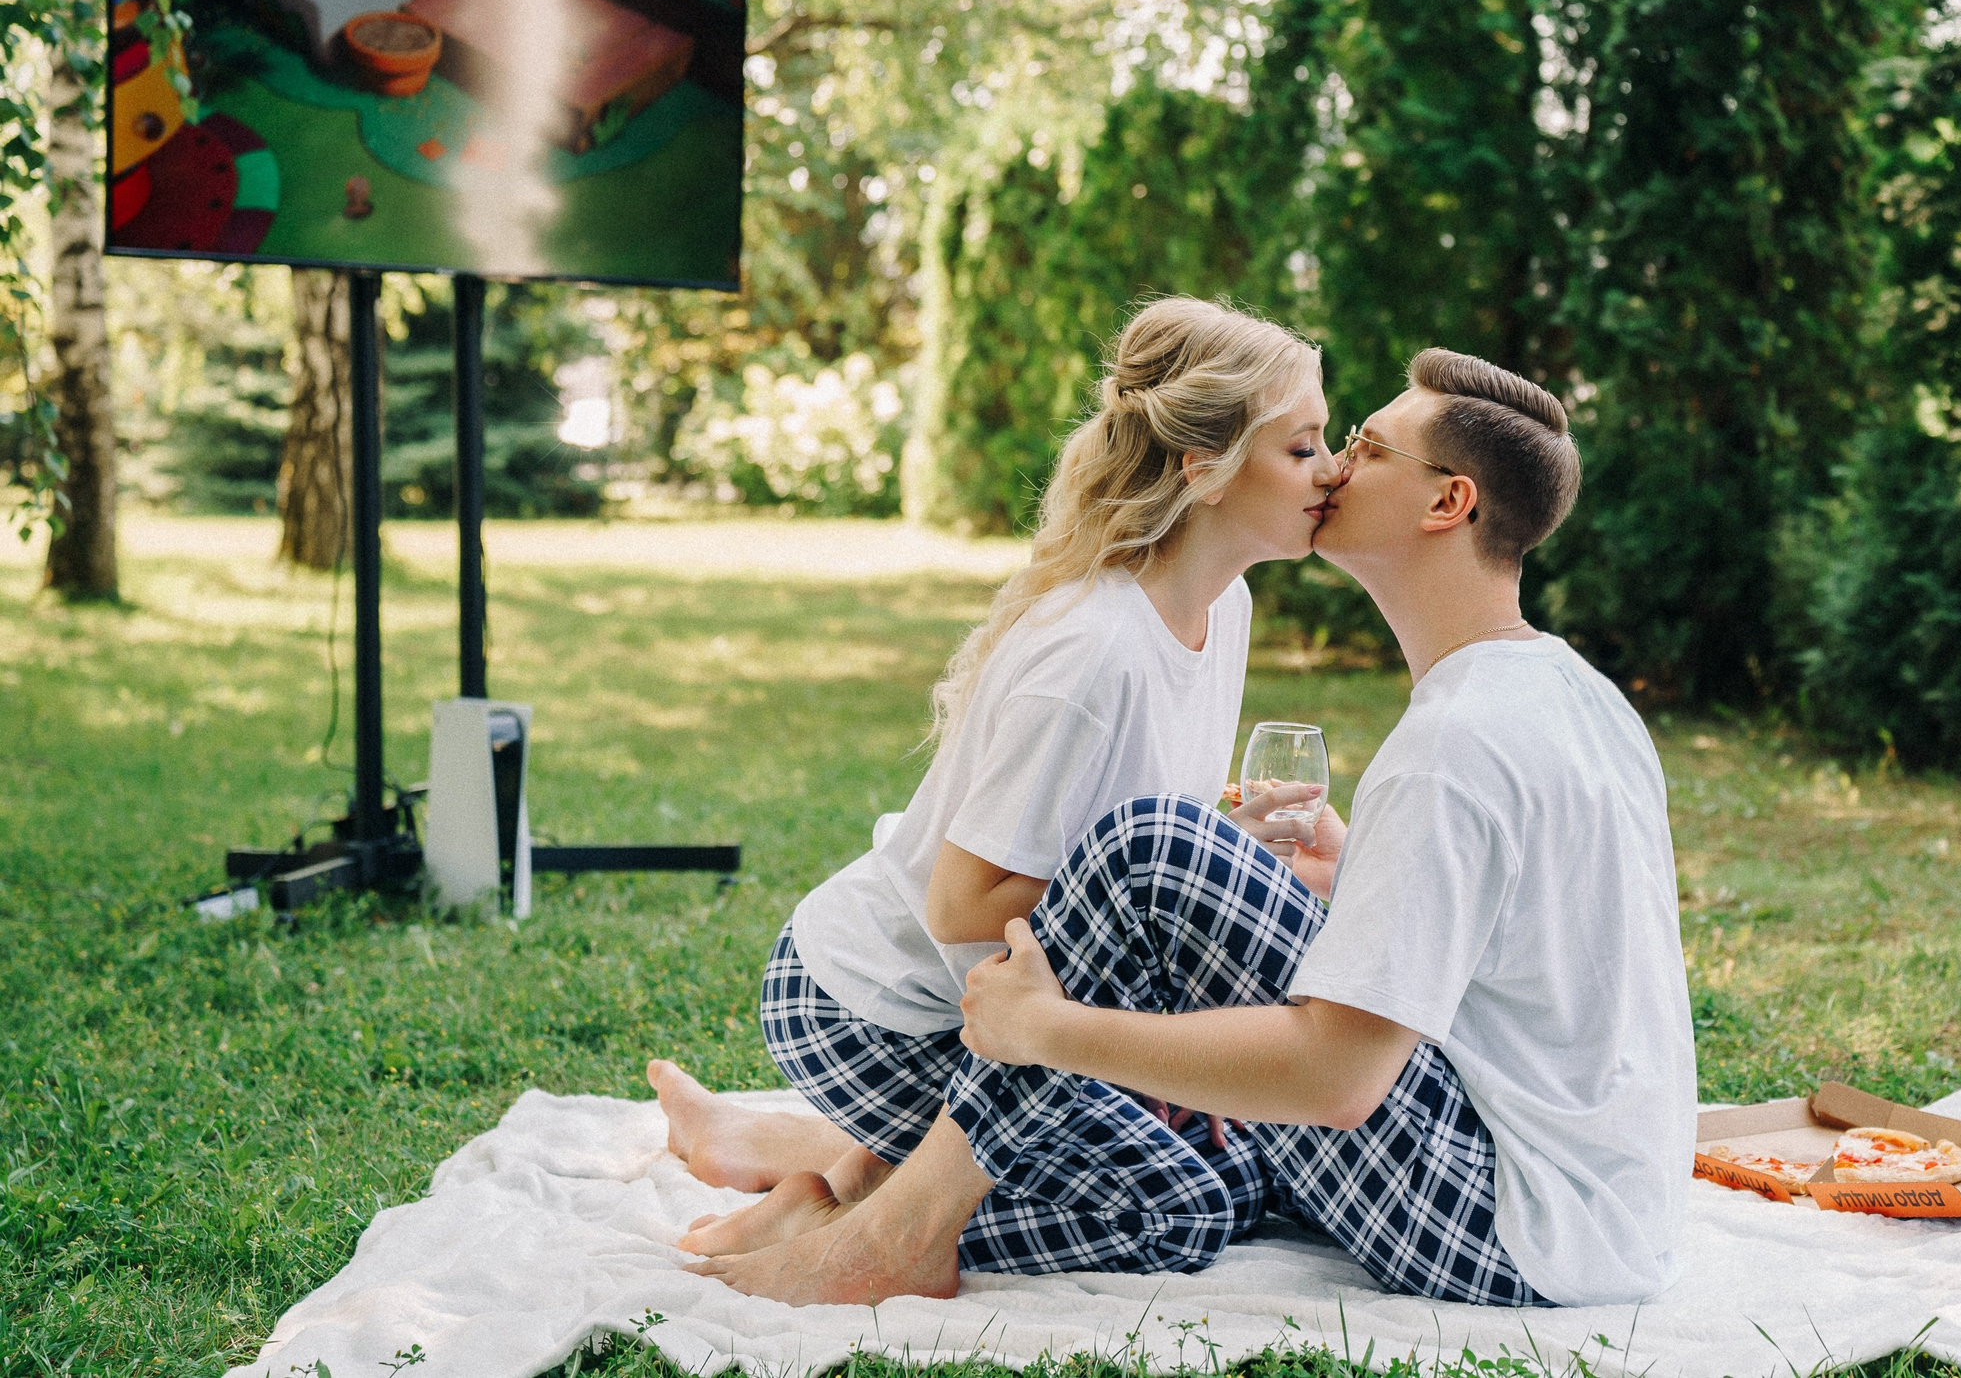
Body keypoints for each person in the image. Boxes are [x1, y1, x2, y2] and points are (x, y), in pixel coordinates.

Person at [689, 348, 1694, 1310]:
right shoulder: (1571, 693)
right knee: (1193, 1110)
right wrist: (1360, 875)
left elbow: (1338, 1082)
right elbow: (1540, 949)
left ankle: (884, 1223)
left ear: (1447, 502)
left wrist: (1047, 1029)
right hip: (1599, 1209)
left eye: (1370, 449)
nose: (1339, 465)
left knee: (1154, 868)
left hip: (1509, 1222)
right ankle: (846, 1180)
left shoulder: (1455, 741)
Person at [648, 297, 1342, 1268]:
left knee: (1238, 1164)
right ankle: (841, 1220)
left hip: (1006, 1002)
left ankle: (802, 1155)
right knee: (1179, 1209)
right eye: (1302, 448)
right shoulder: (1091, 655)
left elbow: (1118, 827)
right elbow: (961, 900)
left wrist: (1223, 834)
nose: (1333, 471)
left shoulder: (1223, 609)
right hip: (885, 1005)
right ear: (1204, 468)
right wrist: (1200, 870)